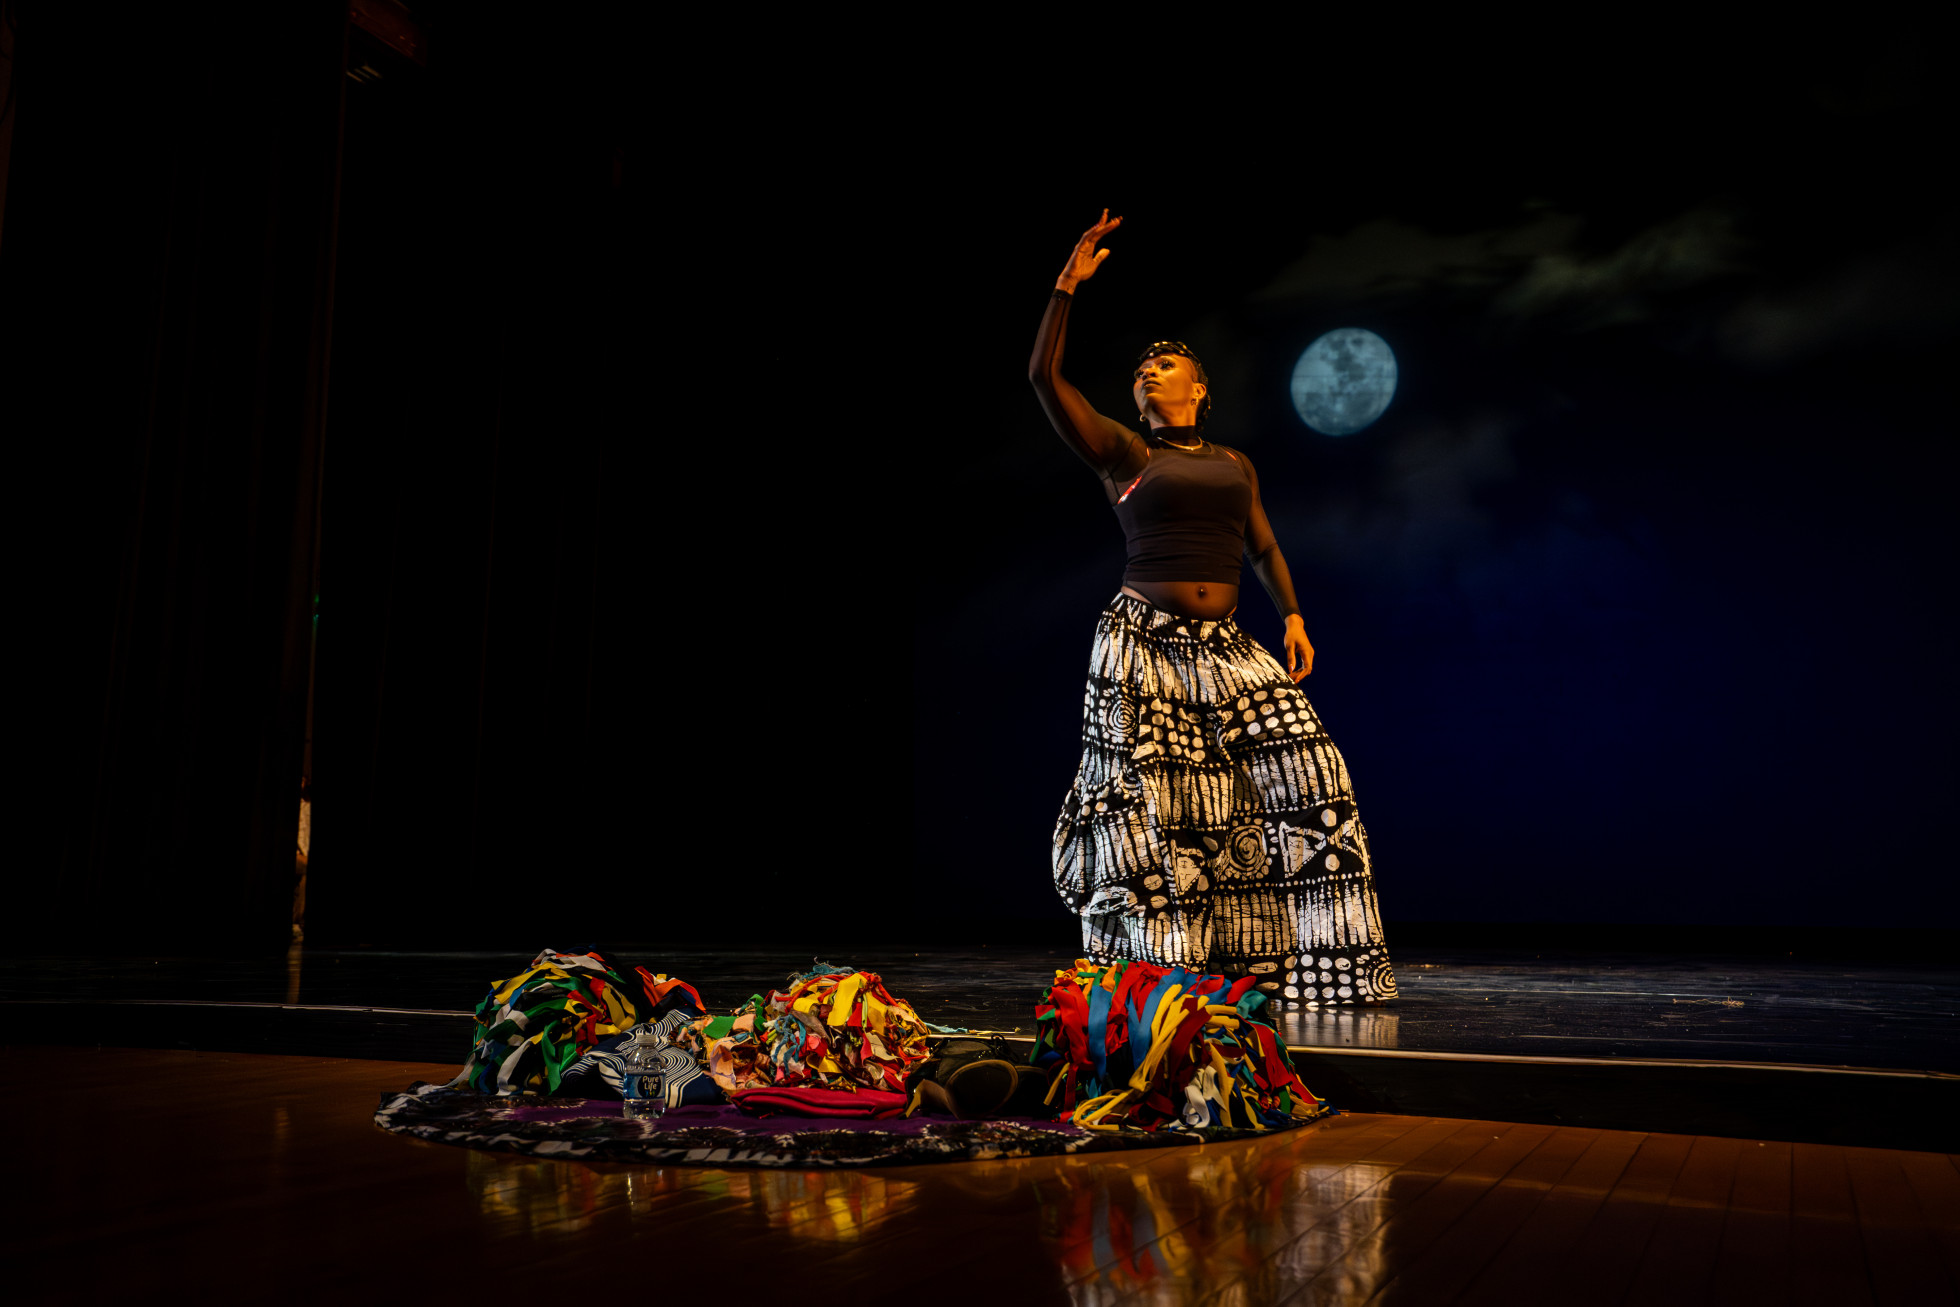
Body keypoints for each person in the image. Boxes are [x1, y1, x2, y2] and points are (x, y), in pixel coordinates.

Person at [1033, 210, 1397, 1007]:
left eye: (1164, 364)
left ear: (1199, 388)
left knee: (1310, 772)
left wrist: (1294, 615)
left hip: (1227, 644)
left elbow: (1261, 547)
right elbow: (1044, 380)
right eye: (1141, 369)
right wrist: (1066, 286)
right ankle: (1161, 979)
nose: (1148, 372)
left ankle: (1313, 968)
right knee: (1162, 807)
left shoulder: (1234, 462)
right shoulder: (1126, 453)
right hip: (1142, 642)